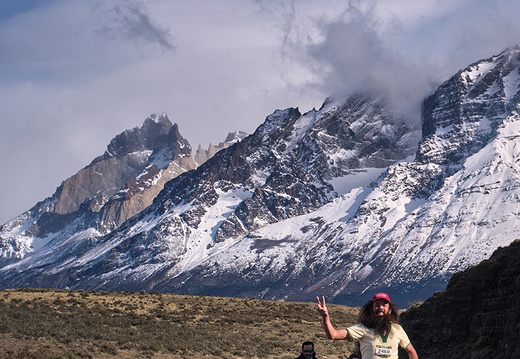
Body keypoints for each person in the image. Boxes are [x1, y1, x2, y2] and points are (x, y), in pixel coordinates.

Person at [316, 293, 418, 359]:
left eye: (384, 305)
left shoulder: (397, 329)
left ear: (390, 310)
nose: (380, 308)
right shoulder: (362, 328)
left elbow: (411, 351)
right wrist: (325, 317)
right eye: (377, 305)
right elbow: (333, 335)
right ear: (371, 309)